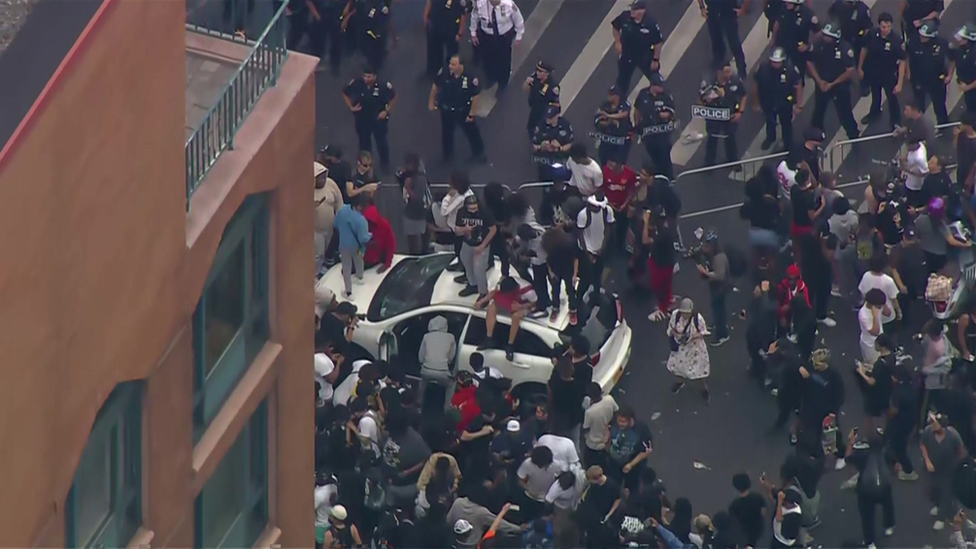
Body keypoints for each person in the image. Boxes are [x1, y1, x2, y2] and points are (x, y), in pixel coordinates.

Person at [808, 22, 860, 141]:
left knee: (845, 113)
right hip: (822, 84)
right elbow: (809, 62)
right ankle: (816, 133)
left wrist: (834, 83)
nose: (825, 37)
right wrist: (819, 81)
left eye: (828, 36)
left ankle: (853, 135)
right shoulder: (818, 44)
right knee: (819, 110)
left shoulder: (845, 48)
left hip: (839, 87)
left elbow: (850, 70)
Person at [429, 55, 486, 164]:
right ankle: (447, 155)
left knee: (471, 131)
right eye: (450, 63)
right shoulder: (444, 72)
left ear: (461, 65)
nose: (450, 66)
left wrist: (472, 114)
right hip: (447, 108)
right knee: (446, 133)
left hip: (462, 110)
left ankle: (479, 153)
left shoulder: (470, 77)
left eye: (453, 64)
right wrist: (431, 101)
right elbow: (435, 86)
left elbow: (476, 96)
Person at [799, 348, 848, 469]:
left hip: (828, 411)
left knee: (834, 434)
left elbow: (840, 394)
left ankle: (841, 455)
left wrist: (833, 412)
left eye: (818, 364)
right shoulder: (811, 369)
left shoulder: (834, 375)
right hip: (812, 408)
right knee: (813, 434)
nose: (815, 366)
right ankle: (818, 457)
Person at [342, 65, 396, 172]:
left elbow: (393, 96)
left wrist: (386, 111)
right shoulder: (357, 83)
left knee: (381, 142)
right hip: (362, 119)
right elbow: (345, 92)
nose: (366, 79)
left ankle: (385, 165)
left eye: (369, 77)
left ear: (374, 76)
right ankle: (365, 165)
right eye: (365, 76)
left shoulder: (383, 85)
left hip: (378, 119)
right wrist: (351, 107)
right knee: (364, 143)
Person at [921, 411, 968, 530]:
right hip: (932, 469)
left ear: (942, 426)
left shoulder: (953, 435)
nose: (932, 425)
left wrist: (958, 466)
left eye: (935, 423)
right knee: (931, 490)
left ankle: (941, 518)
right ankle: (936, 504)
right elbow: (923, 445)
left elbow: (961, 451)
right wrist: (927, 461)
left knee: (946, 494)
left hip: (948, 470)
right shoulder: (928, 431)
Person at [859, 12, 906, 129]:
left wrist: (899, 83)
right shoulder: (872, 34)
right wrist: (860, 67)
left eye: (889, 26)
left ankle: (896, 122)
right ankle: (874, 112)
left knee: (892, 99)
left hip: (889, 75)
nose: (886, 30)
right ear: (879, 25)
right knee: (875, 95)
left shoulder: (896, 41)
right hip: (873, 72)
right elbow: (864, 49)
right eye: (884, 27)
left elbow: (902, 61)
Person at [754, 47, 803, 151]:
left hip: (785, 102)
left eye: (777, 62)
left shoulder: (790, 70)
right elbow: (755, 84)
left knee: (786, 124)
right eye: (773, 61)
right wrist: (756, 102)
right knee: (770, 121)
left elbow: (798, 85)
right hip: (768, 101)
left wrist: (799, 105)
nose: (775, 64)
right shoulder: (763, 68)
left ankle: (788, 143)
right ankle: (770, 138)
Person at [468, 0, 524, 93]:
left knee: (504, 60)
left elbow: (518, 19)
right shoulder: (481, 4)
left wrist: (519, 36)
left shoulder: (509, 4)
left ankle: (502, 82)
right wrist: (473, 33)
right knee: (487, 59)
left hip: (504, 37)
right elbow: (474, 17)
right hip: (487, 36)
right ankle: (490, 78)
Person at [701, 58, 747, 169]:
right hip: (714, 116)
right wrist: (711, 97)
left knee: (730, 138)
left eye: (729, 71)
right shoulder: (708, 82)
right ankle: (709, 164)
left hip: (730, 115)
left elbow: (743, 95)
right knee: (712, 138)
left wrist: (740, 112)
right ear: (719, 72)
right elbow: (701, 100)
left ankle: (733, 161)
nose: (729, 74)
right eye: (726, 72)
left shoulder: (735, 80)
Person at [476, 276, 536, 361]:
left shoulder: (528, 291)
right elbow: (494, 293)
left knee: (516, 316)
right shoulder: (503, 284)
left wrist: (521, 306)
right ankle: (489, 338)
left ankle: (510, 345)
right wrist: (481, 301)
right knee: (491, 307)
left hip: (523, 306)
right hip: (508, 303)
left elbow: (536, 303)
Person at [611, 0, 664, 94]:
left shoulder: (650, 23)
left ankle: (661, 98)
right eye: (632, 8)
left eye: (635, 9)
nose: (632, 11)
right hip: (627, 54)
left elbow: (658, 43)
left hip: (645, 55)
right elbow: (615, 27)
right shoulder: (625, 17)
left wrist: (655, 59)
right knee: (622, 81)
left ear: (642, 10)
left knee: (655, 78)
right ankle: (621, 102)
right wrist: (618, 42)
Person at [633, 72, 677, 180]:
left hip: (662, 133)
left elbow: (672, 111)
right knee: (654, 157)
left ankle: (669, 179)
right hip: (649, 133)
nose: (662, 87)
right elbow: (637, 110)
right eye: (659, 85)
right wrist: (637, 124)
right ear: (653, 85)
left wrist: (665, 115)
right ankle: (658, 178)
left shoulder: (665, 95)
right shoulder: (643, 94)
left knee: (665, 156)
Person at [667, 298, 711, 400]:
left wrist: (692, 336)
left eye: (687, 313)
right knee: (680, 367)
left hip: (696, 347)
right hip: (682, 347)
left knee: (700, 369)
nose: (684, 315)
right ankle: (680, 381)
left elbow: (703, 331)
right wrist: (676, 334)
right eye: (683, 313)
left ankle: (704, 388)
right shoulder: (676, 315)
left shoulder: (697, 318)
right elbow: (671, 327)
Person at [907, 20, 950, 125]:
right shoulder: (913, 41)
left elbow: (951, 58)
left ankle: (943, 125)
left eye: (925, 36)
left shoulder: (943, 43)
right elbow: (907, 55)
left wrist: (949, 74)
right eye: (921, 35)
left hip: (937, 80)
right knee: (919, 103)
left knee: (939, 104)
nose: (922, 38)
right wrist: (908, 71)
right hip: (919, 79)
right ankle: (918, 125)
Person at [455, 194, 496, 299]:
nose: (473, 211)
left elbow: (493, 229)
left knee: (479, 269)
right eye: (470, 209)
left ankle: (483, 292)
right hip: (467, 243)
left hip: (482, 243)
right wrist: (465, 229)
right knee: (467, 263)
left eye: (475, 208)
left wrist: (483, 246)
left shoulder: (485, 212)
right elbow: (457, 230)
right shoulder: (461, 212)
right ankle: (472, 285)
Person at [577, 193, 615, 303]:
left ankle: (596, 296)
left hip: (600, 250)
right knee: (585, 277)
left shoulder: (607, 211)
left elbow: (609, 228)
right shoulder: (583, 215)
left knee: (598, 275)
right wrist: (587, 254)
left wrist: (603, 247)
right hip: (587, 250)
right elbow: (580, 235)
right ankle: (579, 298)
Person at [697, 230, 731, 346]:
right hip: (715, 287)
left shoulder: (719, 257)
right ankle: (718, 324)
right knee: (716, 307)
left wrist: (706, 273)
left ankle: (723, 334)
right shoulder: (711, 254)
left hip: (720, 288)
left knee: (719, 310)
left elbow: (719, 276)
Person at [772, 0, 820, 81]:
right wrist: (773, 39)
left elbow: (818, 32)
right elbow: (777, 22)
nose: (786, 3)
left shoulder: (808, 15)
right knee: (778, 67)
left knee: (798, 72)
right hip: (782, 44)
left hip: (797, 49)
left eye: (789, 2)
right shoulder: (784, 8)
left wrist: (808, 45)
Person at [334, 195, 371, 298]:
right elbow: (364, 238)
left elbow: (336, 224)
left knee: (346, 268)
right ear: (359, 206)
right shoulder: (361, 220)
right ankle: (360, 277)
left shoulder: (342, 211)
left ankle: (348, 292)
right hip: (357, 246)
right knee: (359, 260)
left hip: (344, 245)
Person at [643, 209, 677, 322]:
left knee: (657, 286)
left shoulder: (663, 234)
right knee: (667, 285)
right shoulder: (665, 228)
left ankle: (663, 309)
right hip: (665, 261)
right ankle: (668, 300)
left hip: (662, 265)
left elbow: (645, 240)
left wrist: (646, 222)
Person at [418, 315, 458, 409]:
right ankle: (447, 408)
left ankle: (419, 404)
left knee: (423, 383)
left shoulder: (426, 336)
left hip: (426, 371)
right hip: (443, 373)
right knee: (451, 385)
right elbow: (451, 357)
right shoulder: (451, 337)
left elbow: (421, 357)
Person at [395, 153, 431, 255]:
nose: (407, 167)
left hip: (418, 212)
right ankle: (415, 254)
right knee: (411, 238)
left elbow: (418, 199)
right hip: (409, 211)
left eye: (409, 165)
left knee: (422, 234)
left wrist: (408, 188)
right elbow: (398, 174)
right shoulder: (406, 174)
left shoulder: (420, 179)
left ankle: (422, 253)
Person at [699, 0, 748, 73]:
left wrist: (743, 9)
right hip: (712, 10)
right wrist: (702, 7)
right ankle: (719, 65)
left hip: (728, 10)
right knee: (716, 40)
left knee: (733, 41)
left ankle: (741, 69)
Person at [579, 466, 623, 547]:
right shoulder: (595, 486)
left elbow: (618, 499)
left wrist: (609, 514)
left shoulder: (612, 486)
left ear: (597, 478)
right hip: (595, 514)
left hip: (604, 515)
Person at [424, 0, 468, 78]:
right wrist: (426, 16)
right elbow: (430, 2)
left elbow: (462, 16)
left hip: (451, 30)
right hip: (436, 26)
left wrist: (460, 33)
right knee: (435, 50)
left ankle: (452, 72)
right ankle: (435, 70)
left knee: (452, 53)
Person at [602, 157, 638, 254]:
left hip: (622, 207)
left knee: (622, 228)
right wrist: (608, 202)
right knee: (607, 227)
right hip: (609, 206)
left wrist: (625, 204)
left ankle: (620, 247)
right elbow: (602, 189)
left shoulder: (629, 174)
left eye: (612, 164)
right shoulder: (605, 171)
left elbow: (632, 191)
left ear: (619, 164)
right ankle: (607, 248)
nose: (609, 166)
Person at [442, 171, 475, 271]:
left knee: (460, 248)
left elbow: (444, 211)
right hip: (462, 226)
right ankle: (461, 264)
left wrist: (448, 197)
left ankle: (463, 268)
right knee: (461, 248)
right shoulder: (468, 192)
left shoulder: (460, 198)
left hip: (459, 227)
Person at [592, 85, 632, 167]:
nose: (609, 96)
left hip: (620, 140)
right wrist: (608, 122)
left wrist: (608, 116)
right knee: (604, 161)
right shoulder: (605, 105)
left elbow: (624, 114)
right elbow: (598, 117)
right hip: (607, 139)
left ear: (617, 96)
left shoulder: (624, 104)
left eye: (611, 94)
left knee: (618, 163)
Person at [315, 162, 343, 275]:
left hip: (330, 228)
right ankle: (315, 274)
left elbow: (339, 202)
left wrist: (341, 219)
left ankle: (323, 271)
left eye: (324, 176)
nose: (323, 179)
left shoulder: (331, 184)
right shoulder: (304, 188)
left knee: (327, 252)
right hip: (315, 231)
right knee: (317, 255)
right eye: (319, 177)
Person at [532, 105, 575, 181]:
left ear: (557, 115)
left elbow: (570, 144)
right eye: (547, 116)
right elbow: (534, 146)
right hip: (545, 160)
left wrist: (559, 148)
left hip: (560, 160)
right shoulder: (541, 125)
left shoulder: (565, 125)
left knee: (561, 179)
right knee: (545, 180)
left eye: (550, 117)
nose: (548, 119)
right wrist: (541, 147)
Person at [517, 446, 559, 520]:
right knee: (524, 519)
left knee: (542, 522)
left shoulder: (557, 466)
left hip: (546, 500)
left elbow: (559, 481)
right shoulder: (527, 463)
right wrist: (529, 489)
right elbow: (520, 479)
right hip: (529, 497)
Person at [858, 252, 901, 326]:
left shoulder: (866, 276)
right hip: (887, 316)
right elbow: (894, 299)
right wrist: (899, 311)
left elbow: (863, 293)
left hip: (870, 314)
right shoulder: (888, 281)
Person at [582, 382, 617, 469]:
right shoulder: (609, 399)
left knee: (590, 466)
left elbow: (586, 428)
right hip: (608, 439)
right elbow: (616, 412)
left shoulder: (590, 412)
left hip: (593, 444)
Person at [729, 473, 767, 547]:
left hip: (745, 532)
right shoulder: (758, 497)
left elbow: (735, 523)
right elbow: (763, 512)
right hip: (758, 528)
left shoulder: (734, 505)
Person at [523, 60, 560, 136]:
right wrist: (526, 83)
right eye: (537, 70)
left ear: (547, 73)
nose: (537, 73)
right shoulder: (534, 77)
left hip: (545, 108)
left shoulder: (553, 86)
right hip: (535, 105)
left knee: (543, 127)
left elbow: (555, 103)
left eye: (540, 71)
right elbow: (525, 89)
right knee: (532, 124)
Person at [358, 0, 393, 70]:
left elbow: (386, 19)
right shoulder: (367, 5)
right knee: (367, 48)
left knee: (378, 49)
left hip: (379, 30)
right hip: (368, 29)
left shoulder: (383, 6)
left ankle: (377, 65)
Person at [362, 202, 395, 272]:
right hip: (365, 259)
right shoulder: (362, 226)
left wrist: (386, 265)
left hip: (379, 258)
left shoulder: (385, 225)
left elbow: (391, 245)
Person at [953, 25, 976, 114]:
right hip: (967, 88)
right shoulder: (962, 49)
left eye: (963, 38)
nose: (959, 40)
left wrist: (967, 87)